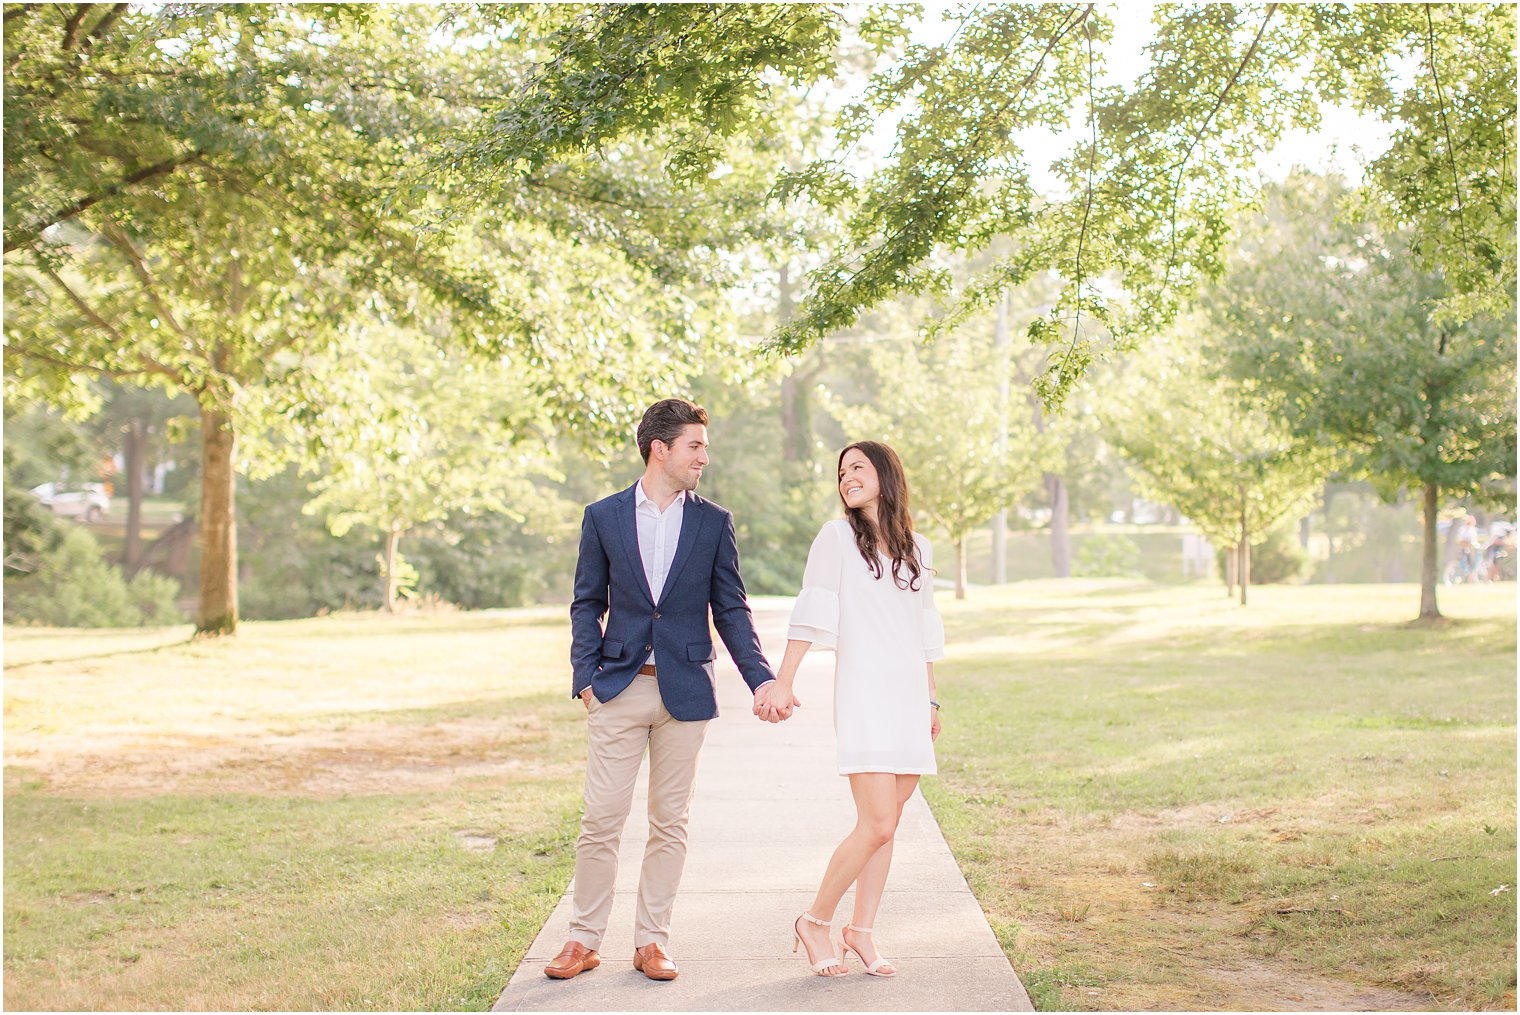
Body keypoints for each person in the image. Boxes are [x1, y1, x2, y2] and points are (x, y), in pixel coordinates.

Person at [548, 398, 785, 983]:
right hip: (619, 688)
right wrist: (585, 679)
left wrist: (762, 679)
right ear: (661, 449)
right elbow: (586, 602)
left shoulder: (712, 521)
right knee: (600, 820)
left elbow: (731, 608)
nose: (705, 456)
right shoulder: (603, 516)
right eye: (696, 446)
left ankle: (652, 941)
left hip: (686, 694)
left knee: (669, 822)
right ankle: (582, 940)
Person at [755, 440, 944, 978]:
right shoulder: (836, 538)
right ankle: (815, 921)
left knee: (888, 824)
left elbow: (925, 628)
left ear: (886, 473)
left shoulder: (919, 547)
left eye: (857, 468)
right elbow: (813, 608)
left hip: (909, 697)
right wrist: (783, 681)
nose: (846, 478)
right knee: (877, 822)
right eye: (841, 473)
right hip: (864, 693)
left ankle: (860, 931)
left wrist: (930, 698)